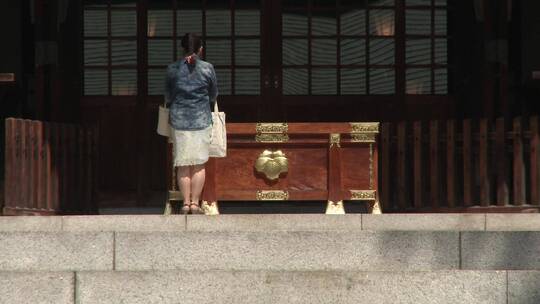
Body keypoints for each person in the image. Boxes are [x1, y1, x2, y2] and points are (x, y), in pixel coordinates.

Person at [164, 33, 218, 214]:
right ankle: (195, 203)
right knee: (199, 163)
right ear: (200, 49)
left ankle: (185, 203)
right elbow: (213, 95)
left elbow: (168, 96)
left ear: (182, 48)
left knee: (183, 164)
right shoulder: (207, 68)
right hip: (201, 120)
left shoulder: (172, 69)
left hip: (179, 120)